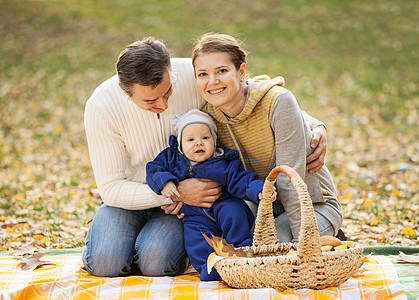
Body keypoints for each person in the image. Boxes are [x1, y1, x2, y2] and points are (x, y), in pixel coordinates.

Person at [83, 36, 328, 277]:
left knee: (156, 263)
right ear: (124, 91)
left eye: (168, 93)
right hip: (131, 196)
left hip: (186, 206)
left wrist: (315, 126)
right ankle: (114, 244)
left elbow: (253, 91)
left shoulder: (194, 76)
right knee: (106, 263)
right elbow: (111, 187)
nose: (164, 105)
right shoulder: (102, 106)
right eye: (151, 101)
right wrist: (177, 191)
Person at [192, 33, 343, 243]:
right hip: (261, 203)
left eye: (222, 71)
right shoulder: (207, 118)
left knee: (273, 247)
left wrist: (304, 243)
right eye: (203, 74)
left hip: (312, 204)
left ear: (241, 71)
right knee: (239, 243)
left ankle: (321, 235)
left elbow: (290, 182)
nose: (212, 81)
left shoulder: (276, 103)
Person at [146, 109, 276, 281]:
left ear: (214, 140)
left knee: (235, 214)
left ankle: (242, 254)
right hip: (194, 214)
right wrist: (166, 183)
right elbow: (153, 169)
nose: (198, 143)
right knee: (195, 240)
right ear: (179, 143)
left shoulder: (223, 161)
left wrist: (259, 190)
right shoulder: (172, 159)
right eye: (190, 139)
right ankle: (210, 268)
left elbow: (241, 179)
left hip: (223, 203)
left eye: (205, 138)